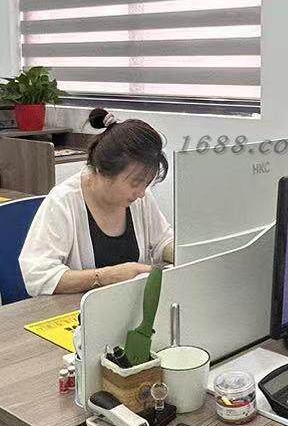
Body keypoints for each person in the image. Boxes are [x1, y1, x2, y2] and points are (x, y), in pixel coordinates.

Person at [19, 110, 174, 295]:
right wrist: (106, 276)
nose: (141, 193)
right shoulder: (63, 201)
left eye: (146, 183)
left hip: (128, 303)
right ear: (102, 171)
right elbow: (37, 276)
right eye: (135, 183)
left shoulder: (140, 198)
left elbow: (162, 241)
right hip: (76, 308)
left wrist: (183, 251)